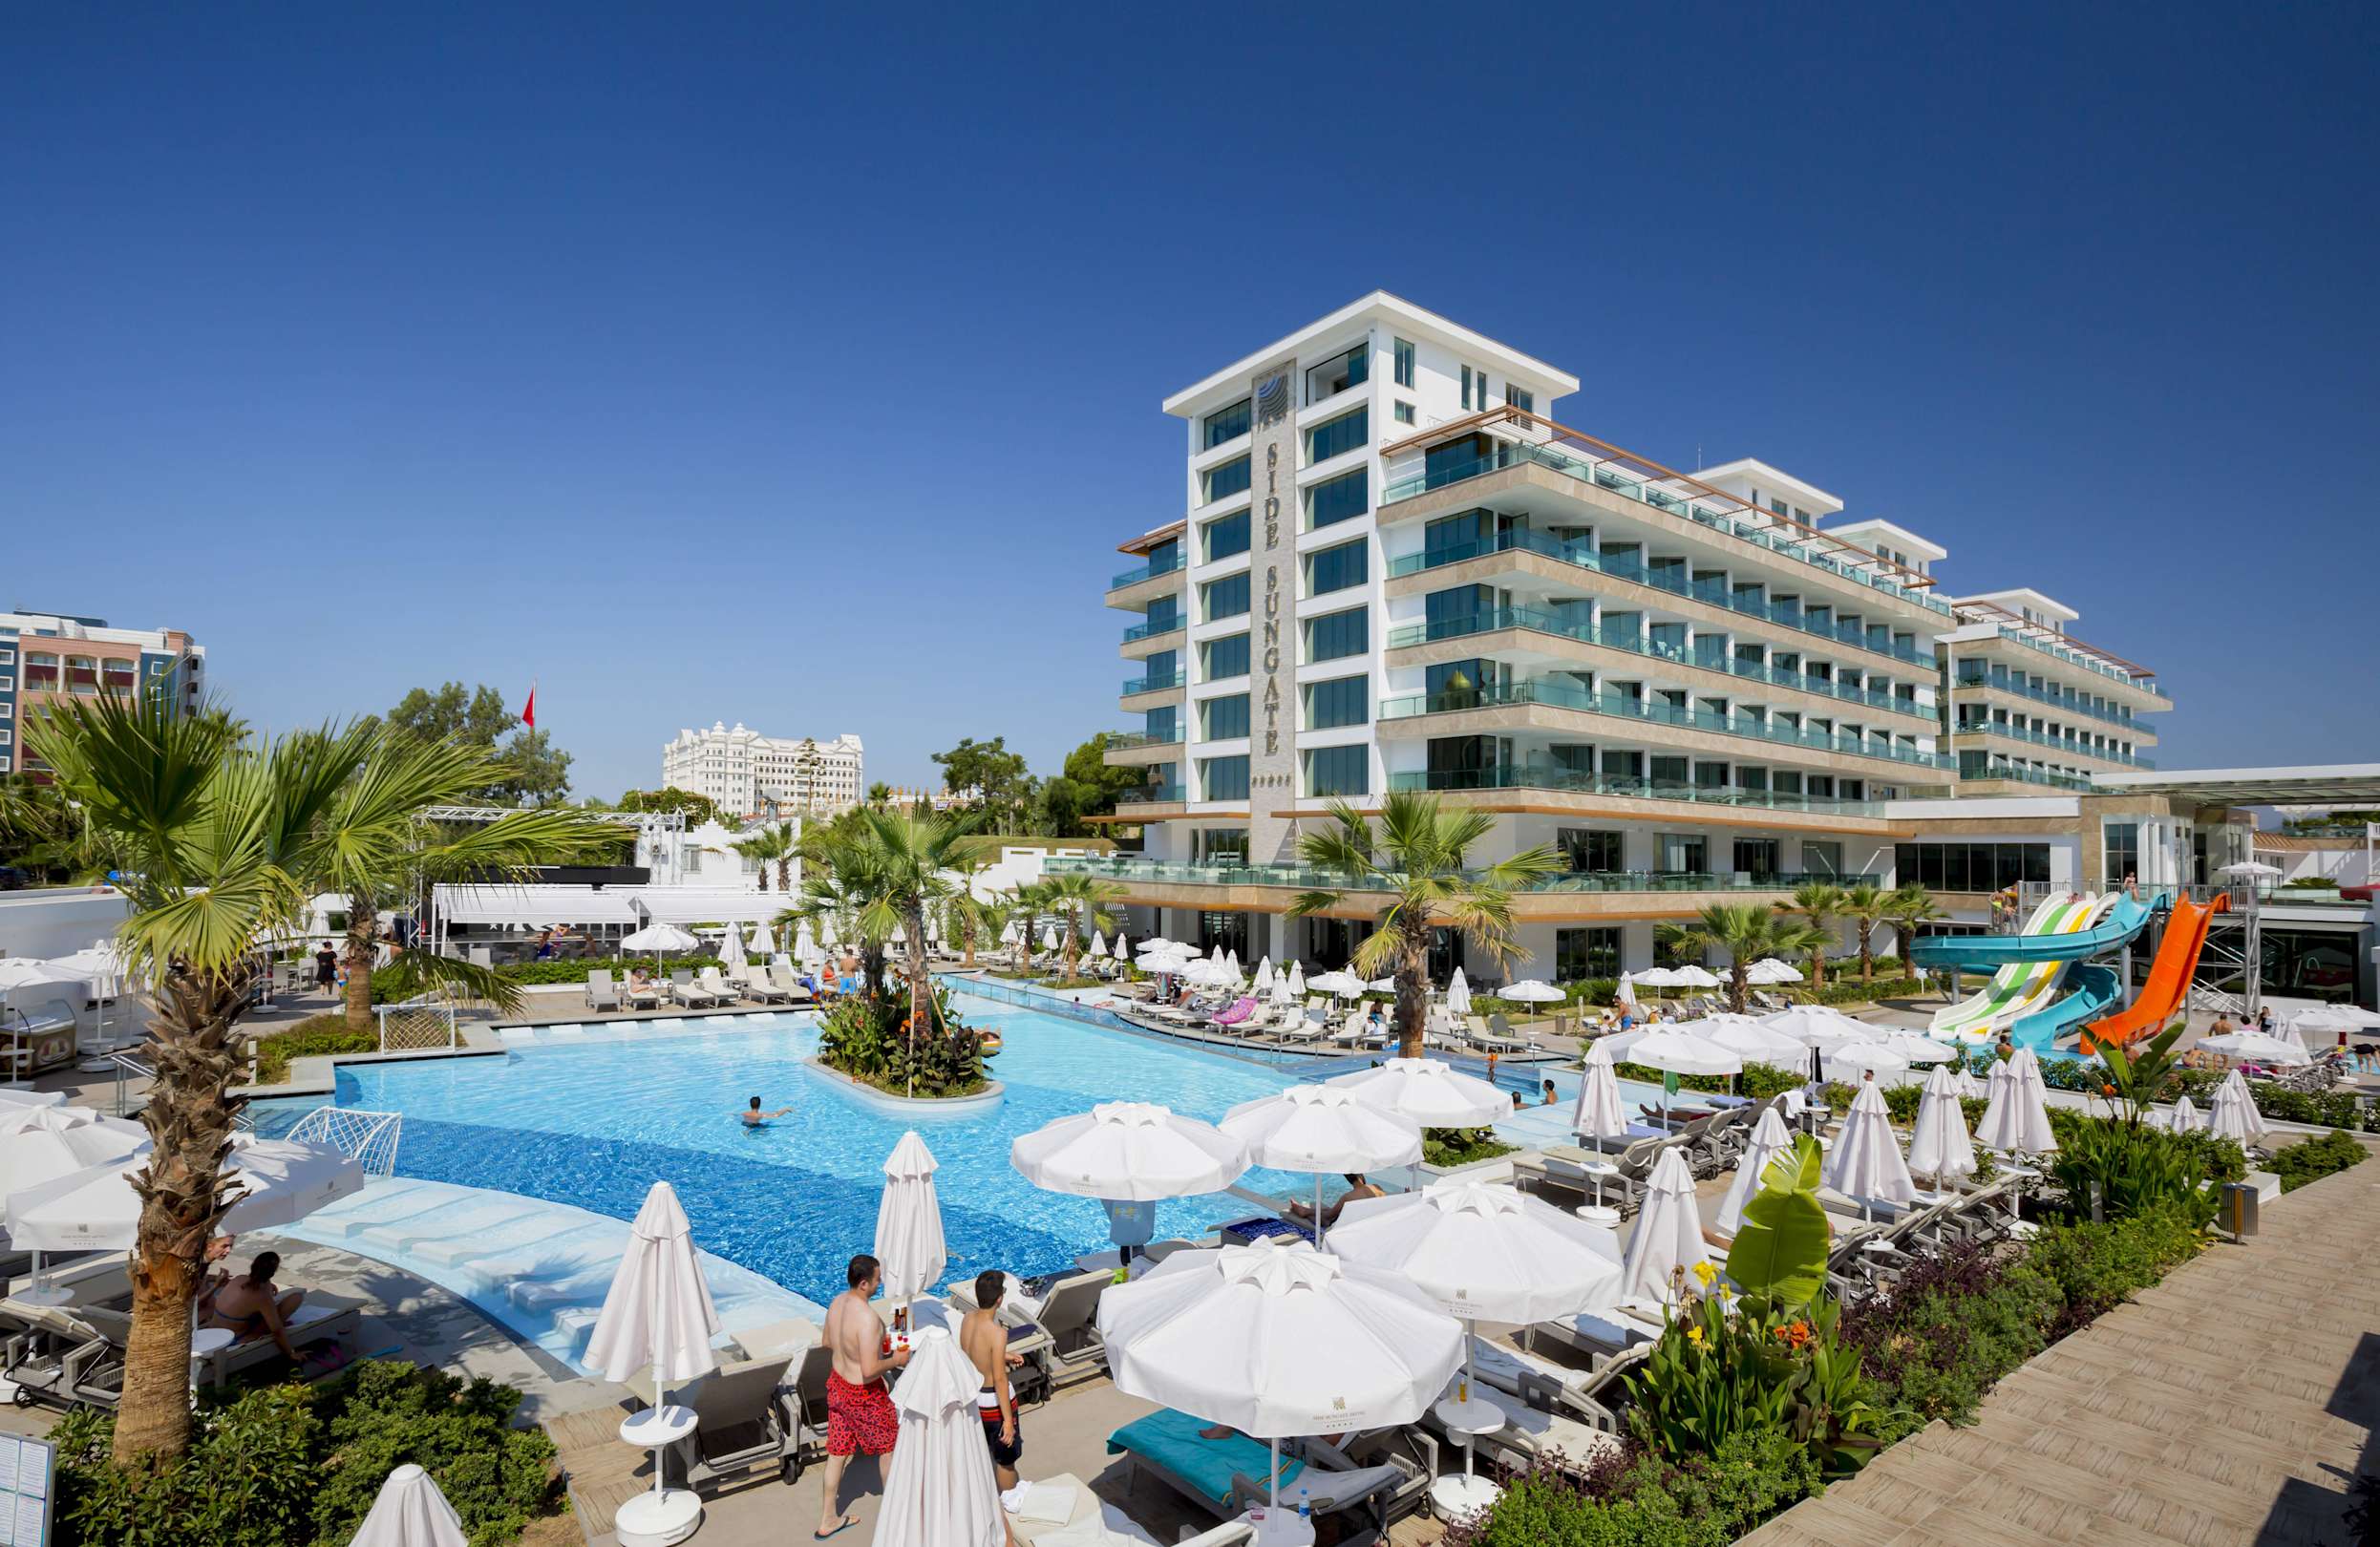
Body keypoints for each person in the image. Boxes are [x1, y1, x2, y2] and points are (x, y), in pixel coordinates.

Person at [816, 1254, 909, 1540]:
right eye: (878, 1280)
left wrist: (853, 1351)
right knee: (888, 1450)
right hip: (864, 1395)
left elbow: (827, 1342)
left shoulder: (837, 1302)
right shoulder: (868, 1320)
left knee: (837, 1453)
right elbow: (869, 1371)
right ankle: (896, 1522)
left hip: (838, 1385)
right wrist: (895, 1360)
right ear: (864, 1283)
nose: (880, 1284)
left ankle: (828, 1519)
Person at [961, 1270, 1028, 1491]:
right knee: (1005, 1462)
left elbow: (972, 1352)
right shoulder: (997, 1333)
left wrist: (1004, 1355)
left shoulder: (968, 1319)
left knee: (984, 1454)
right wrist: (1008, 1421)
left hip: (975, 1399)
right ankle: (1009, 1504)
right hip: (995, 1405)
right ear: (1000, 1298)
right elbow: (999, 1378)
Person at [205, 1250, 307, 1363]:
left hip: (215, 1331)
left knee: (259, 1309)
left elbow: (254, 1286)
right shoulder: (262, 1297)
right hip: (235, 1339)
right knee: (296, 1298)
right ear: (272, 1273)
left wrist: (268, 1284)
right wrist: (291, 1353)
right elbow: (277, 1330)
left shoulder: (239, 1278)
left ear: (253, 1266)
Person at [1286, 1172, 1382, 1232]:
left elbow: (1328, 1216)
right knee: (1333, 1211)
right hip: (1372, 1224)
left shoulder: (1348, 1196)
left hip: (1351, 1227)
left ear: (1348, 1180)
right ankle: (1305, 1211)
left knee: (1326, 1218)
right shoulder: (1377, 1188)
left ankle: (1304, 1212)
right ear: (1361, 1175)